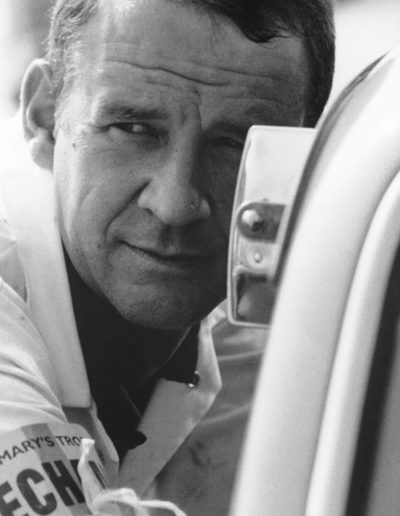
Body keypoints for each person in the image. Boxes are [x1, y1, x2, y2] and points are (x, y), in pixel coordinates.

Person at [0, 0, 335, 514]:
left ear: (304, 167)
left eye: (236, 145)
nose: (176, 203)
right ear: (45, 118)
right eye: (135, 129)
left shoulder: (277, 345)